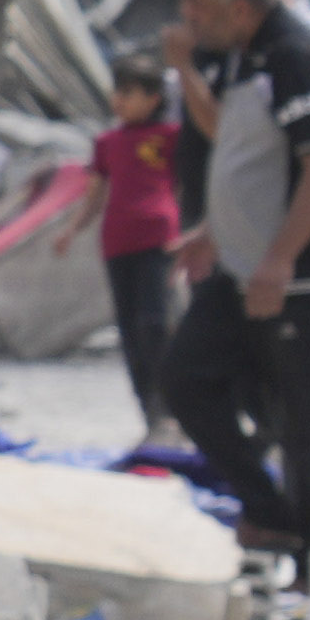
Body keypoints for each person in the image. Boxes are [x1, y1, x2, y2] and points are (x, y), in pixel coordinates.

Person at [161, 0, 310, 563]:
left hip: (301, 277)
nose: (187, 19)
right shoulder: (240, 57)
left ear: (239, 5)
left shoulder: (297, 55)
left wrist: (281, 258)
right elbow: (244, 152)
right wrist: (214, 231)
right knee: (186, 377)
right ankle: (270, 510)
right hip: (242, 268)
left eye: (197, 4)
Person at [87, 44, 197, 438]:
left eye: (128, 92)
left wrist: (189, 230)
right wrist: (71, 230)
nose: (119, 101)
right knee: (131, 332)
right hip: (117, 244)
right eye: (116, 92)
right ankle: (151, 416)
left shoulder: (171, 137)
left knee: (155, 324)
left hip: (159, 241)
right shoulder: (108, 143)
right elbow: (96, 192)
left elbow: (188, 184)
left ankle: (171, 408)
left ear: (153, 98)